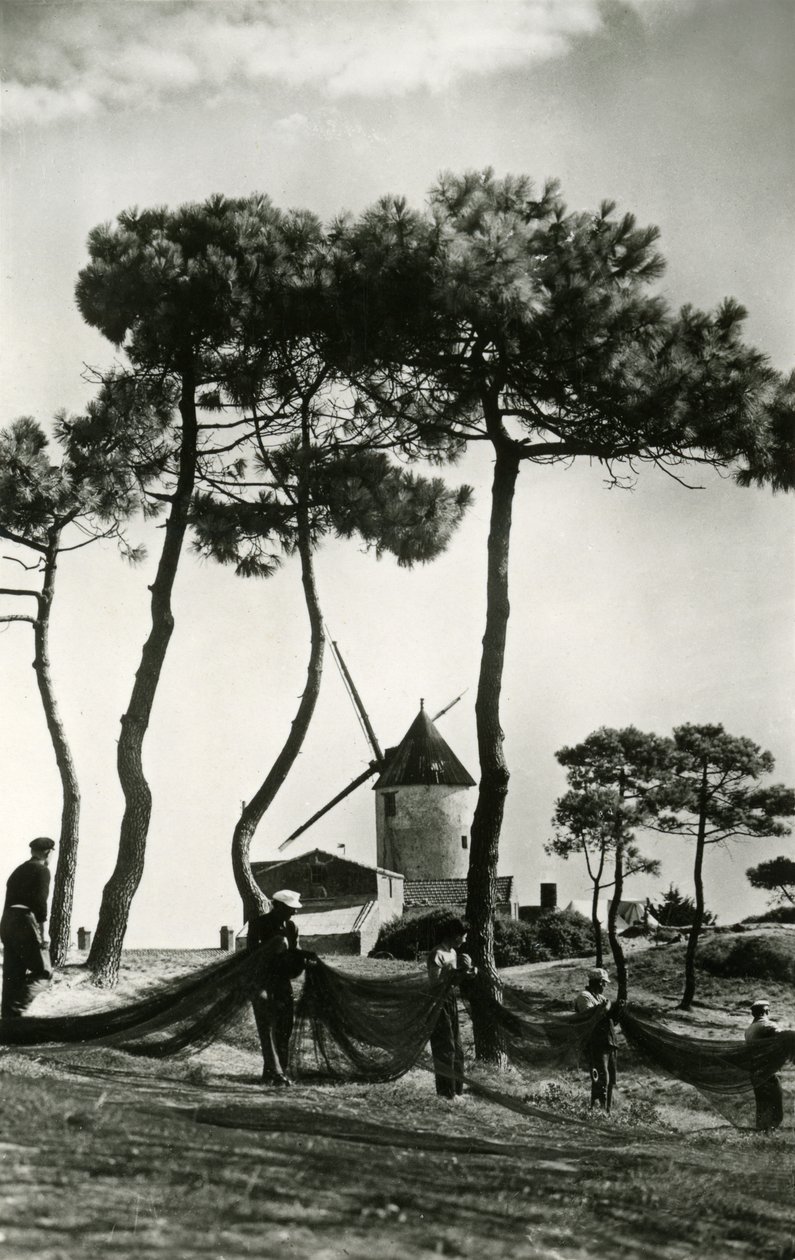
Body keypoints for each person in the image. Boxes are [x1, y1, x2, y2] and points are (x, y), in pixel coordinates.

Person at [247, 889, 305, 1086]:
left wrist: (303, 960)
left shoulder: (292, 927)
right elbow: (252, 955)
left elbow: (295, 953)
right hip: (261, 982)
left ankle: (276, 1072)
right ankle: (276, 1074)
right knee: (267, 1027)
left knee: (285, 1027)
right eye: (290, 908)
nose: (294, 912)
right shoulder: (258, 924)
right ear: (277, 906)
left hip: (282, 983)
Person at [1, 837, 56, 1019]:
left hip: (7, 921)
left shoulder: (18, 871)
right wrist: (43, 932)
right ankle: (17, 1007)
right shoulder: (42, 870)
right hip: (25, 921)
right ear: (48, 852)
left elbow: (8, 901)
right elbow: (40, 903)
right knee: (44, 973)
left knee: (12, 975)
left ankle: (8, 1022)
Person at [427, 917, 475, 1100]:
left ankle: (457, 1091)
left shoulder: (453, 953)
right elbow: (436, 984)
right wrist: (455, 972)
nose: (465, 940)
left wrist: (467, 973)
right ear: (456, 935)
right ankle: (446, 1094)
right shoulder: (437, 954)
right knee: (445, 1048)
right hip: (438, 1003)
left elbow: (453, 982)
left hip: (450, 1001)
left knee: (457, 1048)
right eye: (464, 936)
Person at [573, 966, 620, 1113]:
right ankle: (597, 1110)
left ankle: (607, 1111)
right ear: (598, 982)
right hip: (595, 1043)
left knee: (610, 1078)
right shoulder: (584, 996)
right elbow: (589, 1017)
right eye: (604, 983)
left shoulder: (601, 998)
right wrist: (606, 1008)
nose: (605, 986)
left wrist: (616, 1010)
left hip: (608, 1042)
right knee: (601, 1076)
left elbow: (610, 1019)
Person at [744, 998, 785, 1131]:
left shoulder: (749, 1030)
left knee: (761, 1102)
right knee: (775, 1101)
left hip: (754, 1071)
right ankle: (770, 1131)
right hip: (768, 1071)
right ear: (766, 1011)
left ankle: (762, 1130)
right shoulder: (769, 1026)